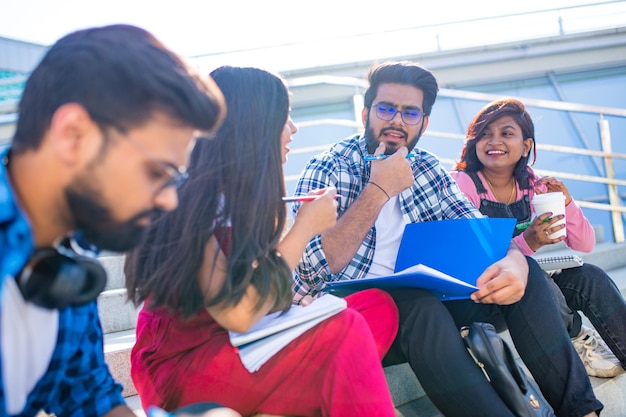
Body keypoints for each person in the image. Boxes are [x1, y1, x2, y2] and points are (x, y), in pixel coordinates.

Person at [292, 60, 604, 417]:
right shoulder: (327, 168)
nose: (396, 121)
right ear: (366, 113)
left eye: (410, 113)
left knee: (526, 273)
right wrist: (378, 189)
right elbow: (314, 268)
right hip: (354, 317)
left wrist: (515, 263)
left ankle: (582, 412)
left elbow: (479, 230)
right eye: (385, 108)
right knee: (418, 305)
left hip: (435, 305)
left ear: (423, 123)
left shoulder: (428, 168)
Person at [125, 66, 400, 417]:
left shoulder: (237, 199)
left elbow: (254, 296)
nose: (293, 129)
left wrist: (287, 311)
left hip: (237, 346)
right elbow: (238, 312)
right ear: (253, 125)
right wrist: (303, 229)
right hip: (183, 370)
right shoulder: (191, 201)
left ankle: (309, 394)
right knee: (345, 331)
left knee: (376, 306)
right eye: (284, 118)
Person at [1, 24, 227, 417]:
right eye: (157, 172)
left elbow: (88, 396)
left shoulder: (64, 257)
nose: (170, 200)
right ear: (73, 136)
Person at [450, 97, 626, 378]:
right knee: (531, 271)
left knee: (588, 276)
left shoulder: (533, 184)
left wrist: (566, 203)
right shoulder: (461, 185)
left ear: (526, 146)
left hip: (522, 289)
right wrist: (527, 243)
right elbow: (472, 259)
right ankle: (578, 337)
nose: (494, 141)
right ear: (474, 143)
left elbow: (585, 244)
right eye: (485, 134)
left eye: (506, 133)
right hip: (478, 294)